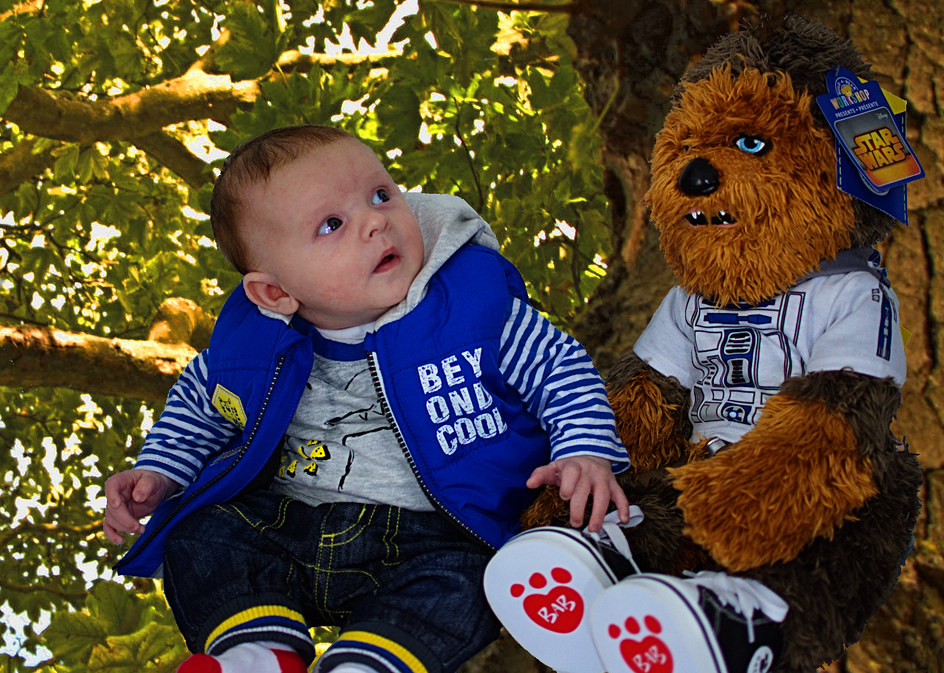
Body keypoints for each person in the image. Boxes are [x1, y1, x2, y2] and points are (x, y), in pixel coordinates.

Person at [102, 125, 631, 673]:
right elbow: (197, 403)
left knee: (481, 581)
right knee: (202, 535)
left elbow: (558, 367)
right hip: (288, 522)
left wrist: (584, 449)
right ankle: (256, 654)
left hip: (431, 537)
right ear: (277, 292)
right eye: (332, 224)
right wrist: (161, 473)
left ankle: (368, 664)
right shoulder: (253, 348)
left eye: (381, 195)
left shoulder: (474, 313)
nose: (375, 219)